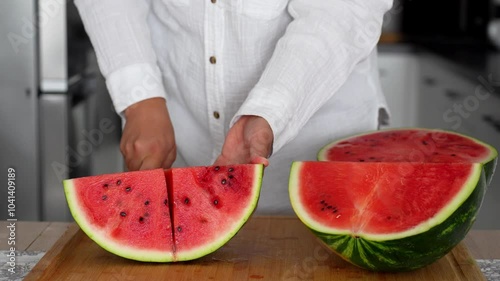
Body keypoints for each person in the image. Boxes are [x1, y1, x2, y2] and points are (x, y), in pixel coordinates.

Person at [75, 0, 392, 214]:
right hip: (182, 135)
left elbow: (342, 11)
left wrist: (269, 111)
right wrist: (140, 99)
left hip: (318, 146)